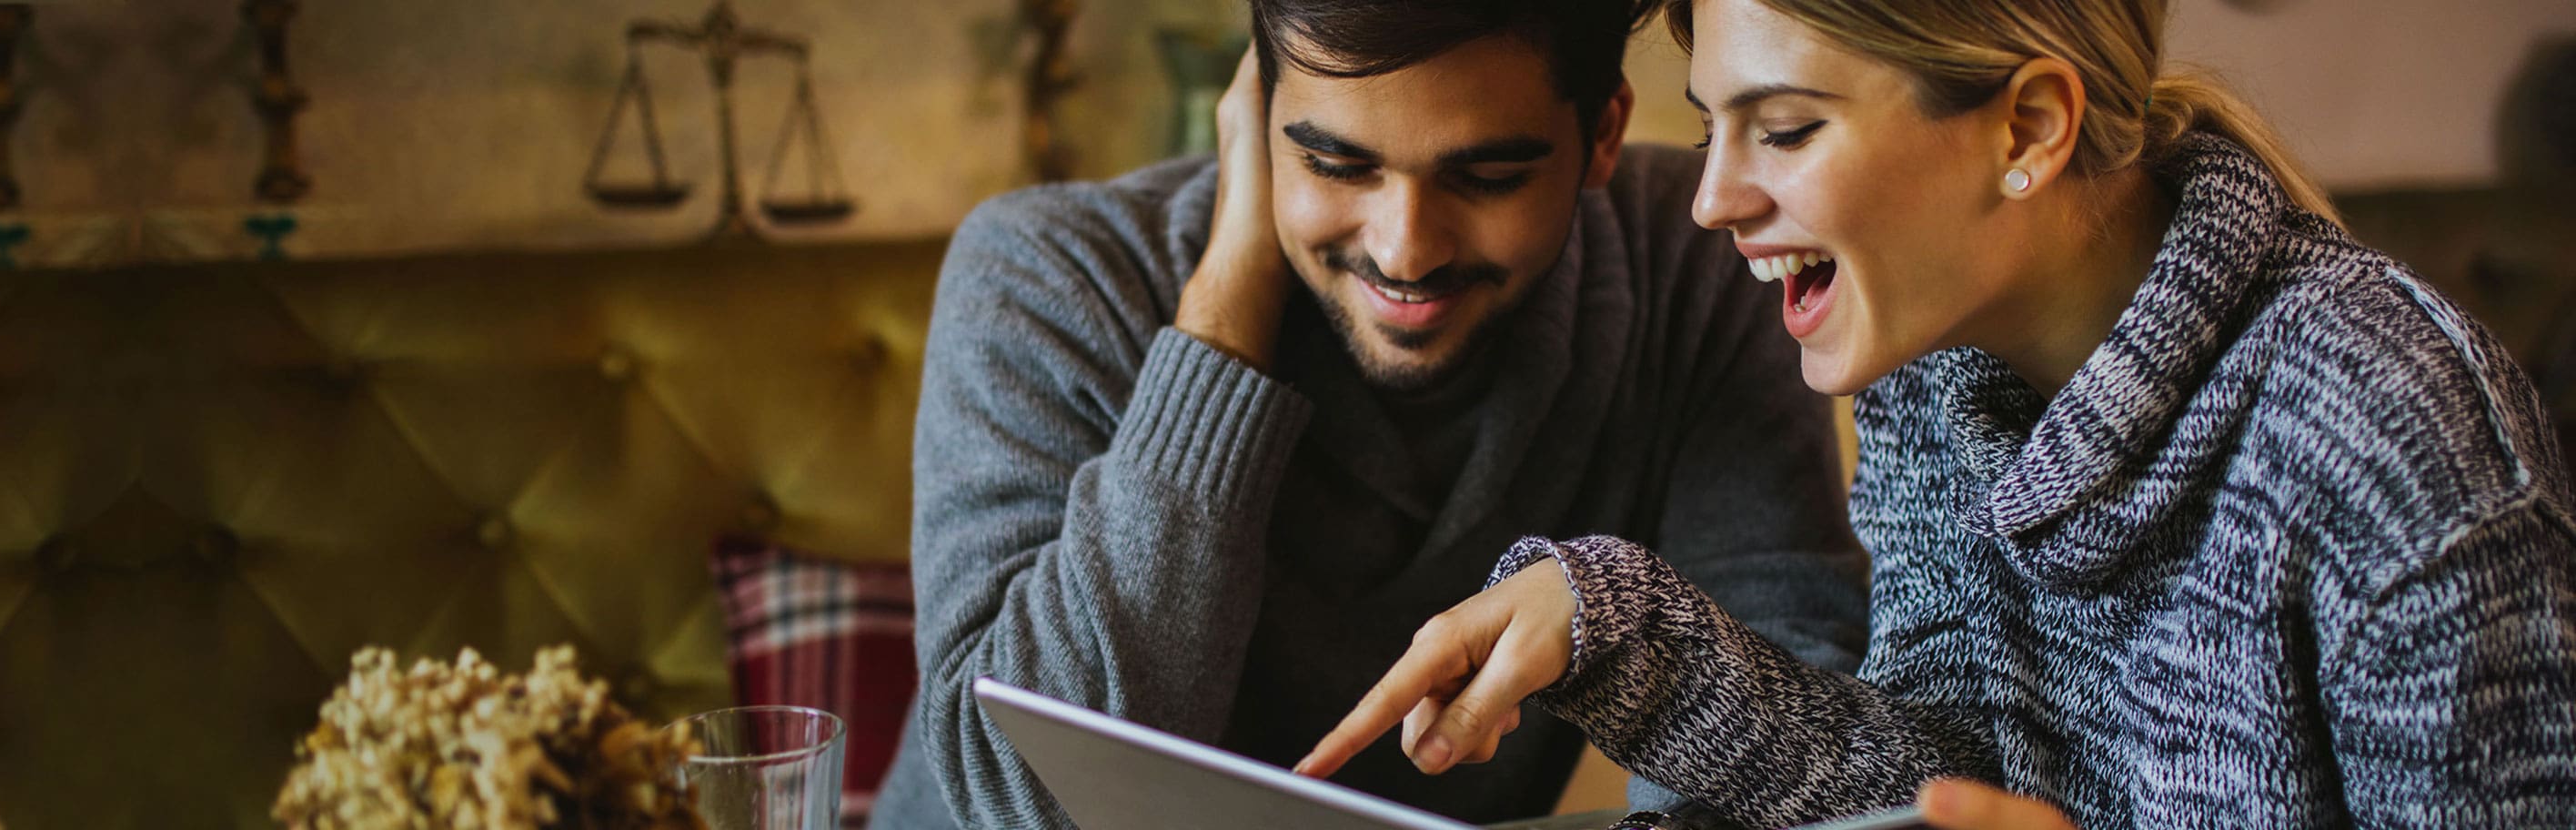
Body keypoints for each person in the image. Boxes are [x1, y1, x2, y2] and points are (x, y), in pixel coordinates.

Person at [1297, 0, 2576, 827]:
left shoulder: (2389, 422)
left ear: (2026, 125)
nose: (1712, 202)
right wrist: (1615, 626)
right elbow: (1941, 785)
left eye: (1786, 131)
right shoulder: (1935, 365)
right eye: (1715, 130)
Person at [866, 0, 1877, 826]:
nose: (1404, 251)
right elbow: (1020, 802)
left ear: (1602, 132)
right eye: (1335, 165)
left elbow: (1778, 719)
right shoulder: (1045, 274)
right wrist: (1227, 303)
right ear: (1256, 124)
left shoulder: (1691, 268)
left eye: (1485, 177)